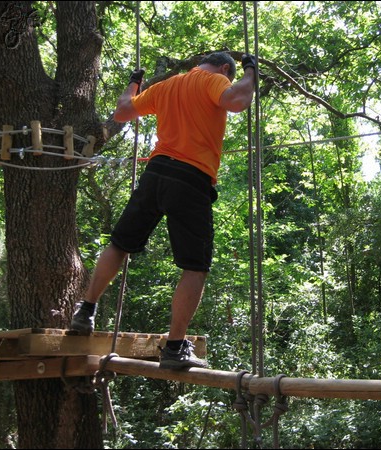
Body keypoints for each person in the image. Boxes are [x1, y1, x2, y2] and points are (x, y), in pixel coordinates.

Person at [71, 52, 257, 369]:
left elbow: (122, 111)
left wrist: (134, 83)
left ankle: (86, 309)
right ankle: (174, 347)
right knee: (195, 266)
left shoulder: (169, 85)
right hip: (191, 179)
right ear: (225, 68)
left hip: (155, 175)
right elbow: (238, 100)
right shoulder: (215, 80)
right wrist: (251, 71)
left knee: (120, 244)